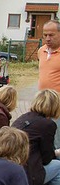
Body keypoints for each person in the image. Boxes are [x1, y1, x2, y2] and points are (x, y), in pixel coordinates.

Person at [13, 89, 60, 185]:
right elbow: (46, 158)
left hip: (15, 168)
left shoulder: (23, 117)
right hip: (27, 174)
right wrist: (56, 152)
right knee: (58, 166)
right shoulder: (47, 124)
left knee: (50, 168)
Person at [38, 19, 60, 148]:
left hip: (57, 105)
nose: (47, 38)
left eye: (51, 35)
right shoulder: (41, 51)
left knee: (56, 138)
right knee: (42, 134)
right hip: (42, 103)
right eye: (45, 35)